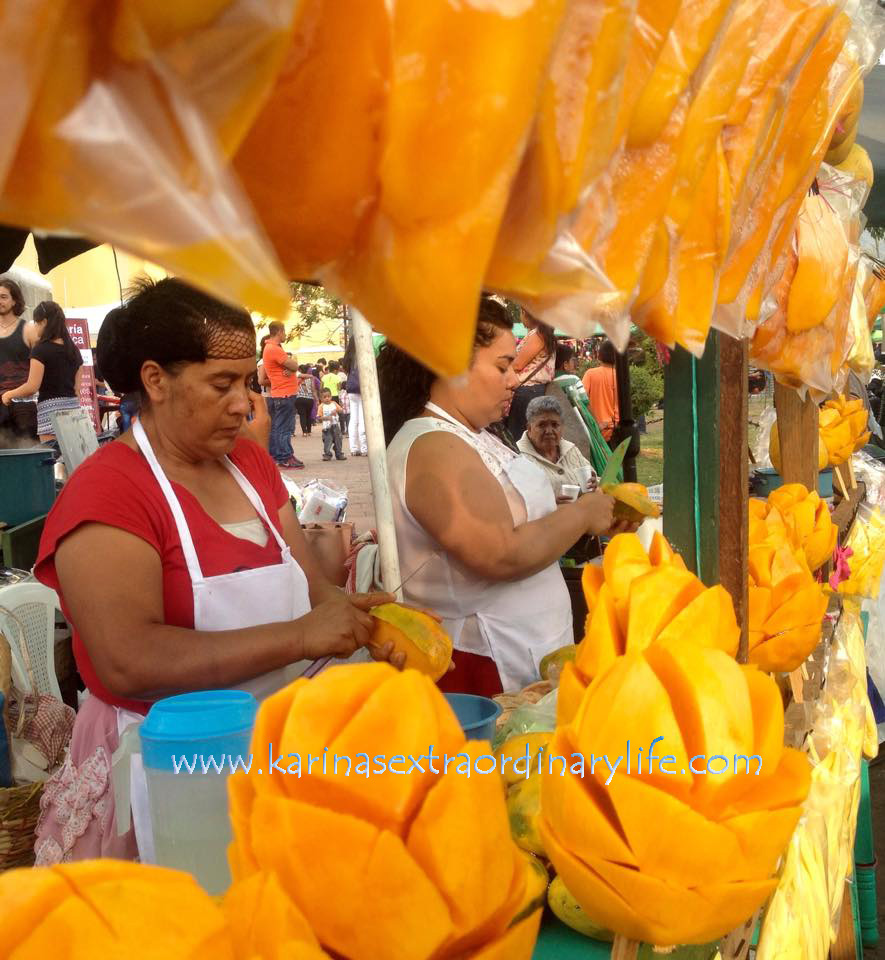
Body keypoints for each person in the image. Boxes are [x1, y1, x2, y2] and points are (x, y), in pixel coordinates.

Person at [32, 278, 401, 865]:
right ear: (155, 380)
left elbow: (312, 588)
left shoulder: (250, 463)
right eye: (223, 383)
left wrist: (355, 612)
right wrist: (301, 637)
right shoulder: (108, 492)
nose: (245, 404)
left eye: (250, 381)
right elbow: (127, 661)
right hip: (165, 772)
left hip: (269, 752)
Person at [378, 296, 635, 698]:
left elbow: (512, 518)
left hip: (522, 656)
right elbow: (500, 552)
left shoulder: (472, 433)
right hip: (485, 668)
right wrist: (582, 516)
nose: (514, 380)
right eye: (502, 367)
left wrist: (585, 513)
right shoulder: (432, 447)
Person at [1, 301, 83, 441]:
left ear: (44, 322)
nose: (35, 327)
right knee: (72, 458)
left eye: (36, 323)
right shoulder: (74, 350)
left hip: (50, 412)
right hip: (73, 410)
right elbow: (77, 389)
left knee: (53, 458)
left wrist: (9, 394)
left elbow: (32, 386)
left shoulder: (40, 350)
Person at [516, 396, 598, 498]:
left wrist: (595, 483)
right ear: (529, 428)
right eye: (542, 425)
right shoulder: (518, 457)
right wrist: (550, 503)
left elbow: (594, 479)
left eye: (555, 425)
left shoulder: (571, 450)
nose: (549, 431)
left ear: (562, 427)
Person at [553, 342, 613, 476]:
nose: (575, 363)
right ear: (565, 364)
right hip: (582, 425)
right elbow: (585, 403)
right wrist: (596, 425)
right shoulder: (573, 379)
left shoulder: (550, 381)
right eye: (573, 360)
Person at [505, 311, 556, 442]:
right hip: (534, 391)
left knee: (517, 439)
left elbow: (517, 365)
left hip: (527, 392)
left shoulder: (538, 334)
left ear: (524, 312)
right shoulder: (543, 333)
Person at [0, 277, 38, 440]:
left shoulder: (29, 329)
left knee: (28, 455)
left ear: (15, 300)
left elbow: (44, 367)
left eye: (3, 297)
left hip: (25, 405)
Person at [262, 321, 304, 469]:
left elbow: (291, 366)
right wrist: (291, 367)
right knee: (284, 428)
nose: (285, 335)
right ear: (279, 331)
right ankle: (285, 456)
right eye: (284, 332)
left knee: (278, 427)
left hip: (281, 393)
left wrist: (291, 369)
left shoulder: (271, 348)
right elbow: (294, 365)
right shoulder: (274, 349)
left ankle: (279, 455)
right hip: (284, 393)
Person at [582, 339, 619, 442]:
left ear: (599, 355)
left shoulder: (590, 374)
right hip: (618, 430)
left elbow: (582, 399)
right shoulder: (621, 376)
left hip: (598, 430)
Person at [343, 338, 367, 456]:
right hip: (362, 389)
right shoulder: (363, 354)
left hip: (351, 389)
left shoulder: (348, 357)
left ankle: (353, 448)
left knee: (353, 419)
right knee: (363, 419)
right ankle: (364, 448)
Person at [319, 388, 346, 462]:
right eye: (324, 397)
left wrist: (337, 410)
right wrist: (326, 417)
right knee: (327, 441)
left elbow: (340, 410)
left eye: (328, 396)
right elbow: (319, 417)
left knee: (338, 440)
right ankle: (327, 454)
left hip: (335, 425)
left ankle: (339, 453)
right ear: (321, 398)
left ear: (331, 396)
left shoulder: (334, 403)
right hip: (327, 428)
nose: (327, 398)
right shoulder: (321, 406)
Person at [294, 363, 318, 436]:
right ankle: (309, 431)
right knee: (308, 415)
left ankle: (304, 432)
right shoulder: (311, 379)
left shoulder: (297, 378)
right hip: (309, 399)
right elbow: (313, 390)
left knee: (302, 415)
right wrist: (316, 400)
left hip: (299, 399)